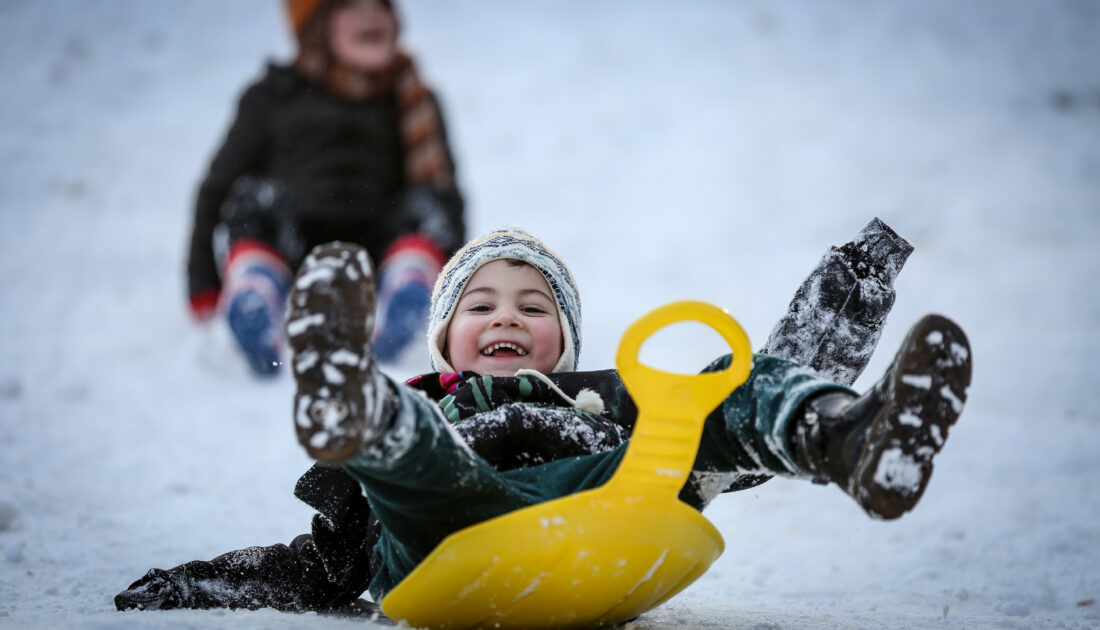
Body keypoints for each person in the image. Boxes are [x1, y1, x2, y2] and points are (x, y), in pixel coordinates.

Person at [117, 222, 968, 616]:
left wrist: (850, 291)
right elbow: (319, 567)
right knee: (411, 452)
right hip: (441, 530)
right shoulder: (436, 399)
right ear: (447, 337)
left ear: (566, 341)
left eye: (534, 306)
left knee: (719, 389)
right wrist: (198, 580)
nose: (507, 318)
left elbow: (734, 434)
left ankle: (856, 440)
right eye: (481, 304)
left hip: (608, 501)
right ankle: (355, 402)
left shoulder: (608, 394)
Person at [186, 0, 464, 377]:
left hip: (380, 245)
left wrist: (459, 288)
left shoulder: (413, 97)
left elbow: (448, 197)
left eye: (382, 5)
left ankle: (409, 292)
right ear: (316, 26)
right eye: (350, 6)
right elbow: (216, 187)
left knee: (429, 202)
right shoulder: (272, 97)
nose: (371, 15)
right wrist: (202, 280)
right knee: (250, 198)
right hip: (292, 236)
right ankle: (255, 292)